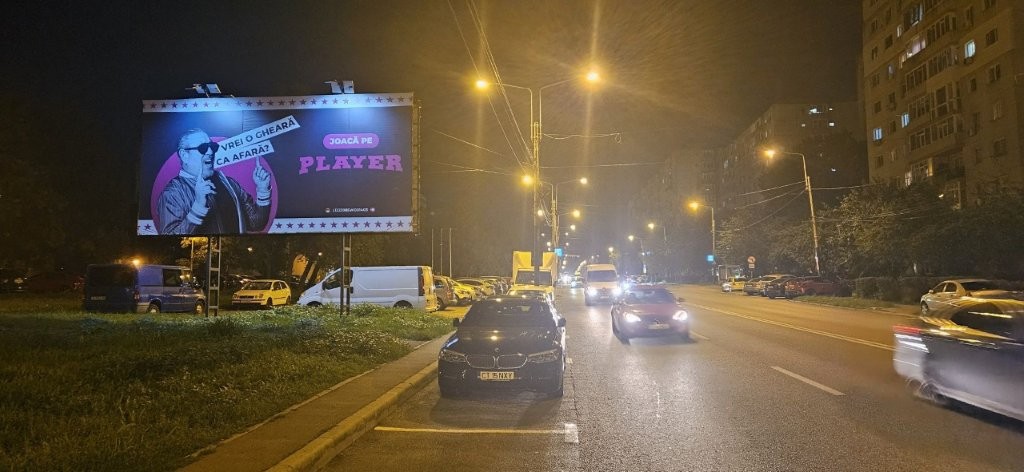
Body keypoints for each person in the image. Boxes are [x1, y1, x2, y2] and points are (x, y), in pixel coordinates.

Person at [157, 128, 271, 234]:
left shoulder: (229, 184)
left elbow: (256, 224)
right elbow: (170, 239)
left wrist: (263, 190)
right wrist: (198, 206)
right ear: (184, 155)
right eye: (203, 148)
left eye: (212, 146)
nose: (211, 152)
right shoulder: (172, 193)